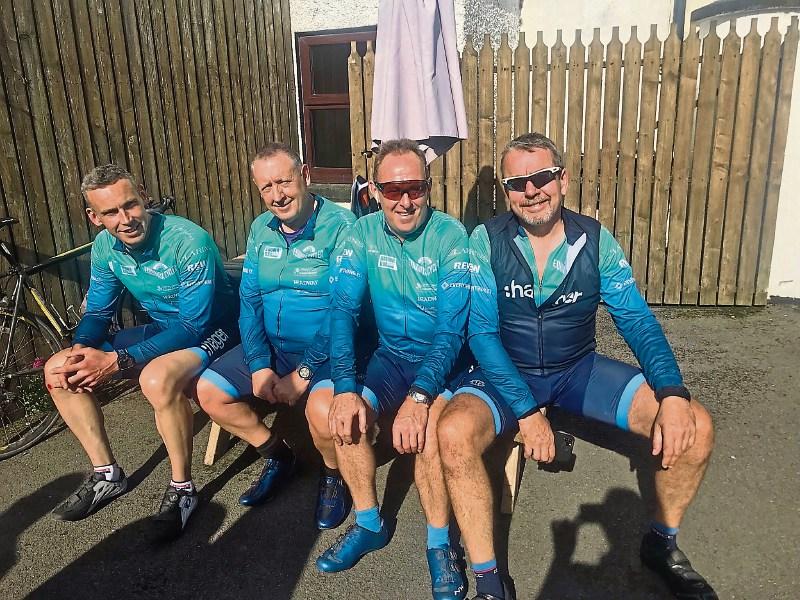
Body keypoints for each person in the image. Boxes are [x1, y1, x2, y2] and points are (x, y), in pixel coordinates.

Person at [437, 132, 717, 600]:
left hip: (576, 371)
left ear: (563, 180)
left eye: (542, 177)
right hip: (507, 373)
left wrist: (671, 393)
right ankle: (489, 579)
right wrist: (527, 413)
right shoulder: (482, 241)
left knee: (698, 427)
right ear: (507, 191)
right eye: (517, 182)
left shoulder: (595, 240)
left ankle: (661, 545)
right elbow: (481, 335)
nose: (531, 191)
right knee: (452, 435)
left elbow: (637, 321)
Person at [306, 139, 471, 600]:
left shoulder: (450, 236)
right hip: (390, 356)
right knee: (336, 411)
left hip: (444, 362)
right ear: (374, 191)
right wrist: (343, 387)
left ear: (429, 188)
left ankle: (440, 543)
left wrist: (420, 399)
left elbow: (452, 332)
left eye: (415, 187)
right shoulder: (359, 235)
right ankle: (368, 521)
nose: (405, 200)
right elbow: (341, 311)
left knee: (432, 431)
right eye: (393, 188)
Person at [45, 164, 238, 540]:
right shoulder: (104, 247)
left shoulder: (187, 240)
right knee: (58, 369)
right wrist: (81, 350)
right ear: (94, 217)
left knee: (156, 378)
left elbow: (193, 325)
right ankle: (106, 475)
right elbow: (99, 311)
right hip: (169, 329)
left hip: (216, 330)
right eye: (111, 213)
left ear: (144, 196)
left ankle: (183, 489)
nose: (125, 219)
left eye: (130, 205)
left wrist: (119, 360)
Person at [194, 143, 356, 529]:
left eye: (284, 181)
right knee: (208, 392)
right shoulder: (259, 228)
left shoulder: (342, 227)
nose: (277, 195)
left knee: (321, 411)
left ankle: (333, 476)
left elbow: (344, 309)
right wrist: (259, 365)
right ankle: (279, 455)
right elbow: (249, 303)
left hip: (328, 352)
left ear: (305, 175)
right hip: (273, 348)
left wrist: (302, 374)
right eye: (266, 187)